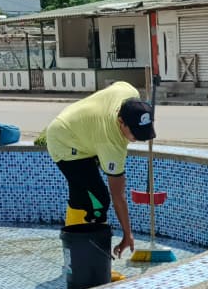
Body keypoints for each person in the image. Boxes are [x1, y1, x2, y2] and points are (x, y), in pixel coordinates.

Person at [44, 81, 155, 260]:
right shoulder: (110, 141)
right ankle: (90, 260)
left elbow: (117, 84)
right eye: (135, 133)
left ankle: (72, 257)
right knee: (98, 202)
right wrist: (128, 234)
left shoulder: (129, 91)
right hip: (65, 140)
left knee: (81, 195)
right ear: (120, 122)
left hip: (79, 128)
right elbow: (117, 195)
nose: (137, 139)